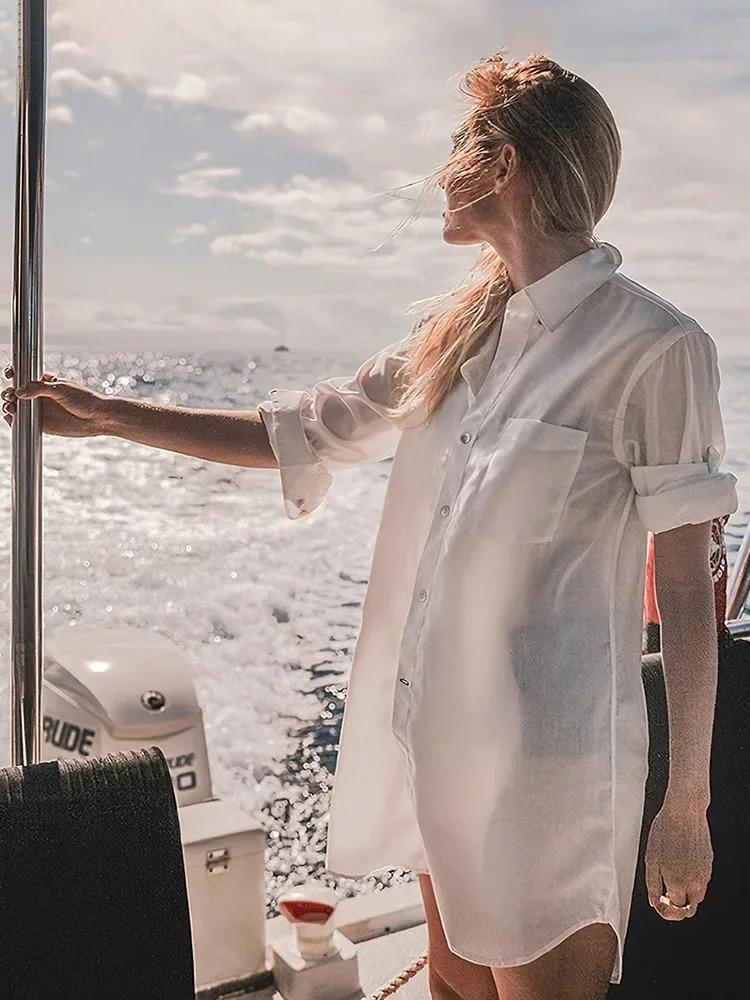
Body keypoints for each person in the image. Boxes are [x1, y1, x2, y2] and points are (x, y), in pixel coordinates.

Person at [3, 50, 740, 1000]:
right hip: (437, 747)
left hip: (551, 778)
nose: (439, 173)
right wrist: (110, 415)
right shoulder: (462, 333)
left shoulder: (655, 348)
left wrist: (686, 803)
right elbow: (298, 433)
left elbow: (685, 589)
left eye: (457, 148)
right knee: (454, 989)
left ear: (503, 164)